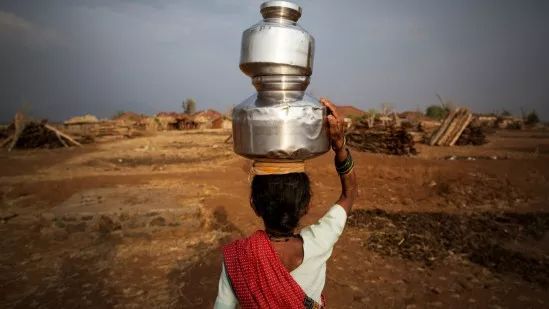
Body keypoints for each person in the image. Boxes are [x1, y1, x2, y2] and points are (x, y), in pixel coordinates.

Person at [214, 98, 358, 308]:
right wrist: (340, 146)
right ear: (305, 205)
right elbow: (350, 193)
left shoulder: (237, 261)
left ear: (254, 204)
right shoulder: (319, 242)